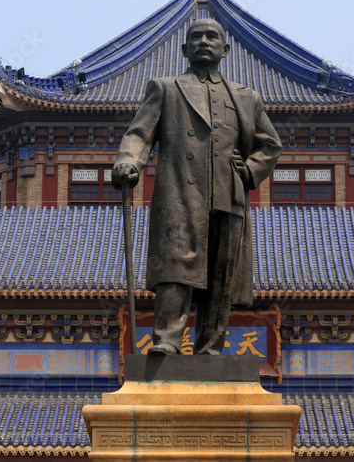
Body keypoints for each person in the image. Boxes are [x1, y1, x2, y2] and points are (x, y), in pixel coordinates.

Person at [112, 18, 282, 355]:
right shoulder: (165, 88)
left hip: (228, 194)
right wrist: (129, 161)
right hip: (180, 193)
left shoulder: (247, 98)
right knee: (177, 264)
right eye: (196, 37)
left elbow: (270, 145)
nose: (204, 41)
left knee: (222, 272)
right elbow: (139, 134)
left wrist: (248, 171)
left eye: (212, 36)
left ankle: (211, 346)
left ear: (225, 49)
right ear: (185, 49)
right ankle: (168, 339)